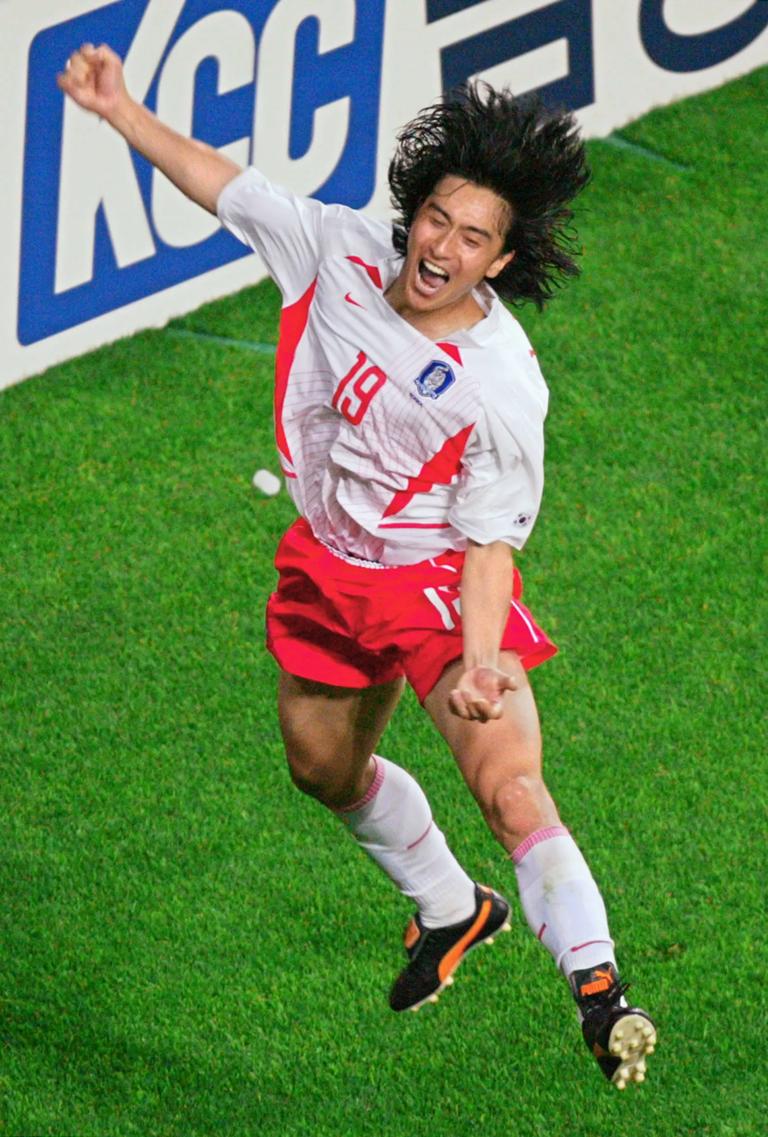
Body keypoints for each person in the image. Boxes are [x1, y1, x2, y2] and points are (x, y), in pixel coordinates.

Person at [58, 43, 656, 1089]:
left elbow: (489, 542)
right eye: (436, 218)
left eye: (473, 238)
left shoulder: (500, 385)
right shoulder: (332, 251)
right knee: (321, 770)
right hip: (327, 566)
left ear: (500, 263)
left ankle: (602, 995)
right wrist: (122, 112)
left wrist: (477, 658)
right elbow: (223, 183)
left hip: (435, 586)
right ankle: (452, 906)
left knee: (511, 784)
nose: (443, 247)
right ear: (412, 210)